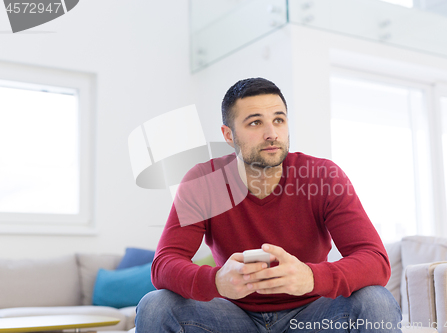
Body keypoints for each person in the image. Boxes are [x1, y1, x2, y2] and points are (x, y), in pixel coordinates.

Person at [135, 77, 402, 332]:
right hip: (231, 318)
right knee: (155, 306)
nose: (272, 133)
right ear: (228, 135)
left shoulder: (324, 176)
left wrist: (311, 277)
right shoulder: (204, 181)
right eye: (255, 123)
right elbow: (164, 265)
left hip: (311, 316)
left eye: (279, 120)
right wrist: (216, 281)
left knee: (375, 299)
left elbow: (375, 260)